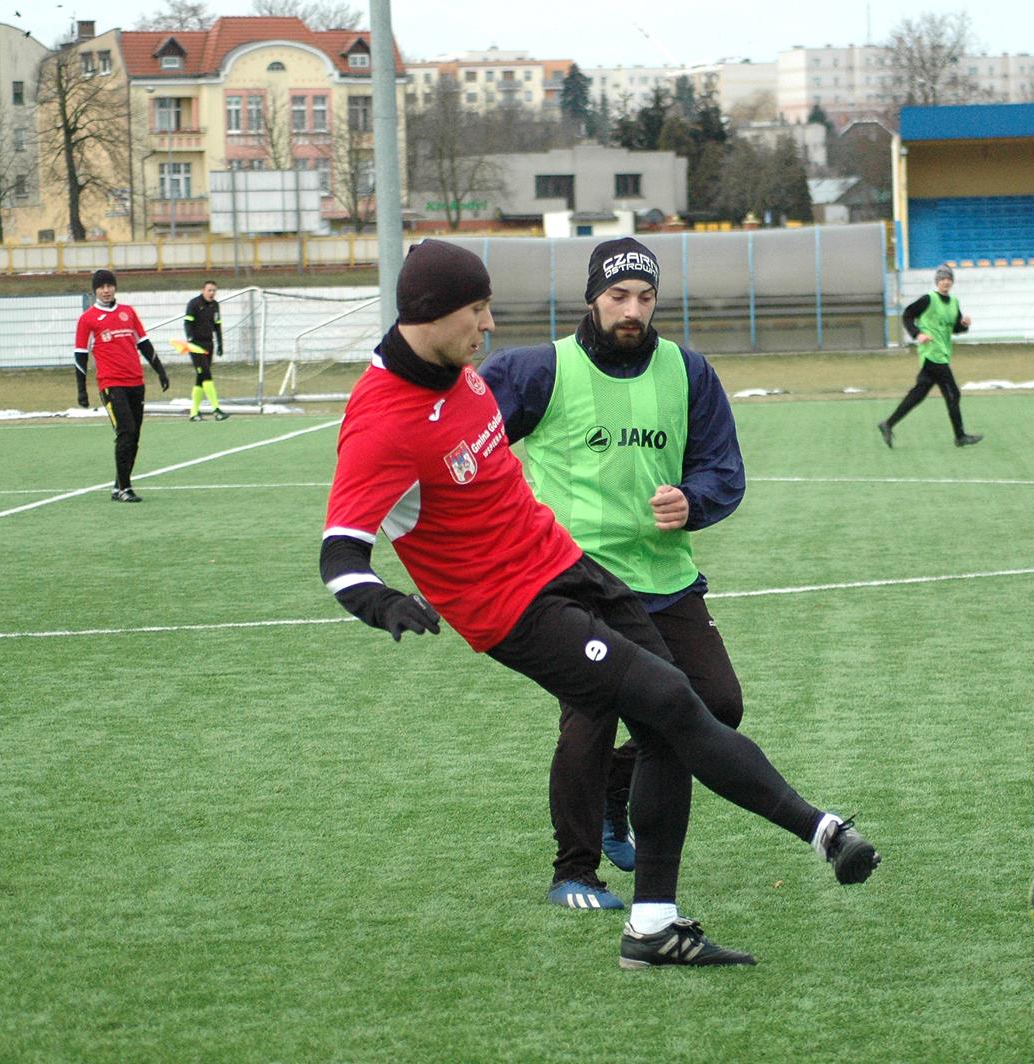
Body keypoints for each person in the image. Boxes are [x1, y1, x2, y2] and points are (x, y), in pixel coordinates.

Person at [320, 239, 879, 968]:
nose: (489, 326)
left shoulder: (459, 375)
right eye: (477, 311)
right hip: (513, 610)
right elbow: (339, 553)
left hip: (567, 563)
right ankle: (823, 831)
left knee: (669, 723)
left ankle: (652, 927)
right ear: (430, 314)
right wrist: (379, 601)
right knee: (672, 700)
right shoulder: (382, 422)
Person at [479, 238, 745, 913]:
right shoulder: (538, 372)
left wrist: (695, 500)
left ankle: (615, 789)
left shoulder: (689, 372)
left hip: (666, 578)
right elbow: (465, 443)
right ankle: (575, 870)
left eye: (645, 298)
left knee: (716, 705)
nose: (633, 310)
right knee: (591, 713)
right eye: (619, 297)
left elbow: (723, 469)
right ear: (593, 297)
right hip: (574, 583)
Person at [73, 269, 170, 502]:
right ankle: (125, 488)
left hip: (135, 381)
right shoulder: (88, 319)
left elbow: (144, 343)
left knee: (134, 435)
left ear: (115, 287)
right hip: (111, 384)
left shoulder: (128, 312)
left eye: (110, 285)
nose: (106, 290)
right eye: (101, 287)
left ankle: (118, 485)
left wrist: (160, 370)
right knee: (125, 431)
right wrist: (81, 389)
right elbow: (80, 354)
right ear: (95, 290)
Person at [877, 264, 983, 448]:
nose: (946, 282)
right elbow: (908, 315)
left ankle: (888, 424)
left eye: (949, 279)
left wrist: (964, 324)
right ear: (937, 281)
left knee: (919, 393)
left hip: (942, 353)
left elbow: (955, 328)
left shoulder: (954, 303)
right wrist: (917, 334)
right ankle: (960, 436)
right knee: (953, 394)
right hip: (932, 354)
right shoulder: (928, 299)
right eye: (942, 279)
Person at [183, 280, 230, 422]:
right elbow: (187, 323)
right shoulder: (194, 304)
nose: (212, 293)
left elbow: (217, 326)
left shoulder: (215, 305)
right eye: (209, 290)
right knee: (206, 375)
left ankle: (193, 413)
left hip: (209, 344)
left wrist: (220, 344)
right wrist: (190, 338)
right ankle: (216, 409)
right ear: (203, 290)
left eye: (214, 290)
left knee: (201, 378)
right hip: (196, 345)